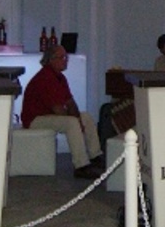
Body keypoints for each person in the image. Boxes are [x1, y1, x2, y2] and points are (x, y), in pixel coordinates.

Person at [21, 45, 105, 179]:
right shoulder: (46, 77)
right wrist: (76, 122)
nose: (65, 60)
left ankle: (95, 156)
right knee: (71, 123)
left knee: (86, 117)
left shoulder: (59, 77)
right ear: (51, 60)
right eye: (62, 57)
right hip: (34, 119)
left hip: (47, 115)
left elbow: (70, 102)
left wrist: (79, 118)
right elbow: (58, 109)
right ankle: (81, 166)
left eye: (66, 57)